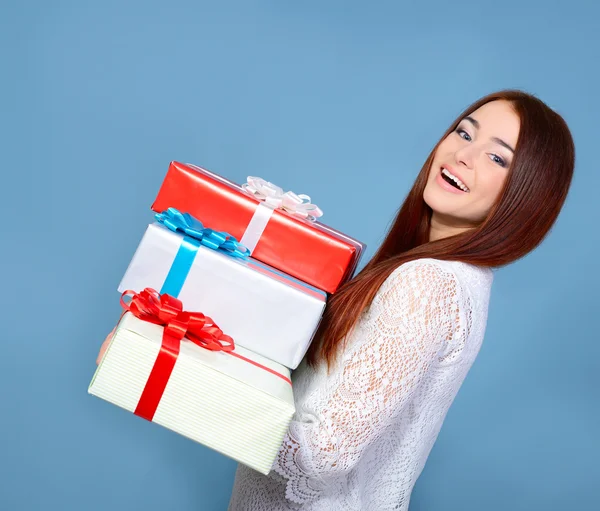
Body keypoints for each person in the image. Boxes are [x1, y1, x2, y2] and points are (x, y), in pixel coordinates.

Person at [97, 90, 575, 510]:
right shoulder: (458, 279)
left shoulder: (429, 284)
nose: (464, 155)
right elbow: (321, 385)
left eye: (498, 158)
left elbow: (321, 456)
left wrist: (159, 380)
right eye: (464, 132)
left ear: (526, 195)